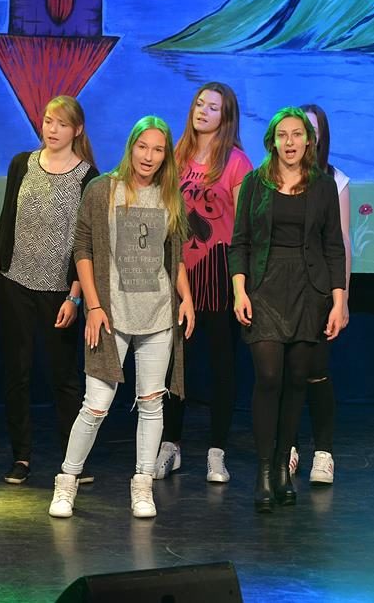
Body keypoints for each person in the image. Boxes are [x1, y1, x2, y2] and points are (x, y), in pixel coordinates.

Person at [48, 116, 194, 519]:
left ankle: (142, 485)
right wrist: (93, 306)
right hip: (111, 316)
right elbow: (82, 249)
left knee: (151, 403)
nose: (149, 156)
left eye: (158, 149)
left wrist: (186, 298)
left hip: (158, 315)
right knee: (95, 405)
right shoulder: (102, 190)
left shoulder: (170, 195)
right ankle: (66, 481)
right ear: (131, 147)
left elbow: (175, 256)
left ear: (166, 156)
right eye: (143, 147)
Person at [230, 107, 347, 513]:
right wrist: (240, 291)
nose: (291, 141)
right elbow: (240, 242)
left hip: (309, 290)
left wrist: (339, 301)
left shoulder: (323, 186)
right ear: (272, 141)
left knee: (298, 379)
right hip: (263, 287)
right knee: (268, 377)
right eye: (283, 135)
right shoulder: (254, 182)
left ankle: (283, 467)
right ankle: (264, 471)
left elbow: (334, 246)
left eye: (298, 134)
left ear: (309, 141)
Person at [0, 96, 99, 485]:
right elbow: (6, 223)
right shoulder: (22, 163)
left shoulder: (88, 176)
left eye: (61, 124)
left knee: (63, 376)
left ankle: (73, 461)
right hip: (14, 282)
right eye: (48, 121)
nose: (52, 129)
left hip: (59, 290)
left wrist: (75, 296)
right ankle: (21, 457)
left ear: (77, 130)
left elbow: (86, 241)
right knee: (17, 372)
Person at [157, 82, 252, 484]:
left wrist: (242, 283)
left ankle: (217, 451)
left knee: (220, 367)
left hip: (218, 274)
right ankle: (170, 445)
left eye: (213, 107)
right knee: (172, 364)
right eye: (199, 104)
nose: (203, 111)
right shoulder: (175, 154)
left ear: (226, 116)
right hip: (176, 273)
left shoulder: (237, 162)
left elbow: (245, 226)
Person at [288, 103, 350, 485]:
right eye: (297, 130)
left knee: (315, 372)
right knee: (286, 372)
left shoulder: (333, 180)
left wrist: (342, 298)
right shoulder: (274, 178)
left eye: (311, 130)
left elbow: (341, 241)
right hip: (282, 289)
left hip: (320, 290)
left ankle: (323, 452)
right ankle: (288, 447)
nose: (303, 138)